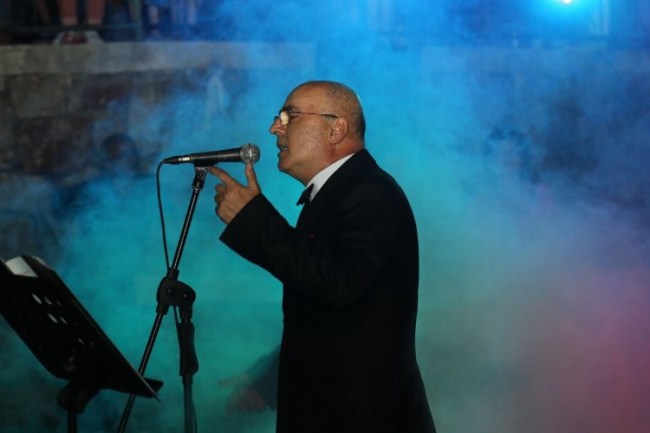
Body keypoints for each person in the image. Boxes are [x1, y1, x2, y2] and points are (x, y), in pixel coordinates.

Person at [209, 80, 436, 433]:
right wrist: (267, 377)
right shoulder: (341, 192)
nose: (274, 128)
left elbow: (338, 283)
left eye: (290, 115)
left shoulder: (368, 192)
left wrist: (252, 219)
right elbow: (330, 314)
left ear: (336, 129)